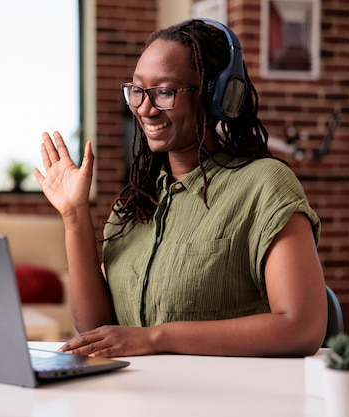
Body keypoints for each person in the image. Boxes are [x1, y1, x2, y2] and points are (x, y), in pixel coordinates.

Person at [33, 18, 327, 358]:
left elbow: (301, 327)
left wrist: (157, 338)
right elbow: (96, 328)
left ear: (218, 96)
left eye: (164, 92)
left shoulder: (264, 186)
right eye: (138, 91)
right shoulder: (136, 203)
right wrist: (74, 215)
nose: (144, 107)